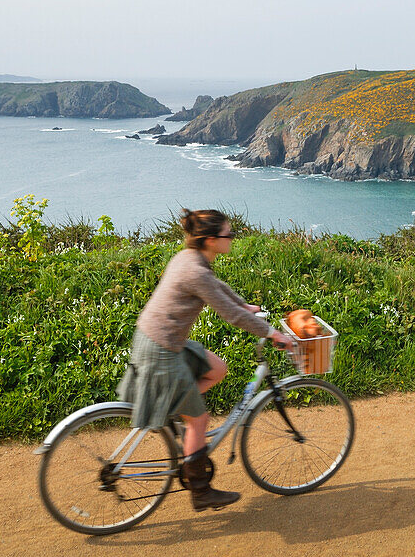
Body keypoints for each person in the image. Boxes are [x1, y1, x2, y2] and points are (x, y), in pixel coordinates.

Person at [117, 208, 292, 511]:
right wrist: (272, 333)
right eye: (229, 234)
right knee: (200, 419)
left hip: (161, 341)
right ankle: (200, 491)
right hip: (160, 349)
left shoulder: (191, 257)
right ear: (211, 240)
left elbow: (217, 289)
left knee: (217, 369)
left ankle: (175, 412)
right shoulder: (195, 270)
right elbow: (229, 314)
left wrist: (244, 304)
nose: (233, 238)